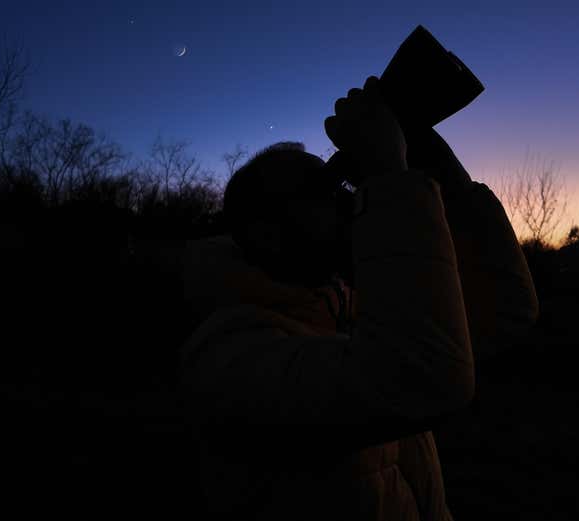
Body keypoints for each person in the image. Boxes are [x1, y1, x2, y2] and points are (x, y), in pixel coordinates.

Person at [176, 76, 538, 520]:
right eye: (321, 192)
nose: (347, 202)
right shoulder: (229, 359)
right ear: (265, 233)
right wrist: (388, 176)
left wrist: (444, 174)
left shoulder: (348, 308)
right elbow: (425, 378)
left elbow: (504, 311)